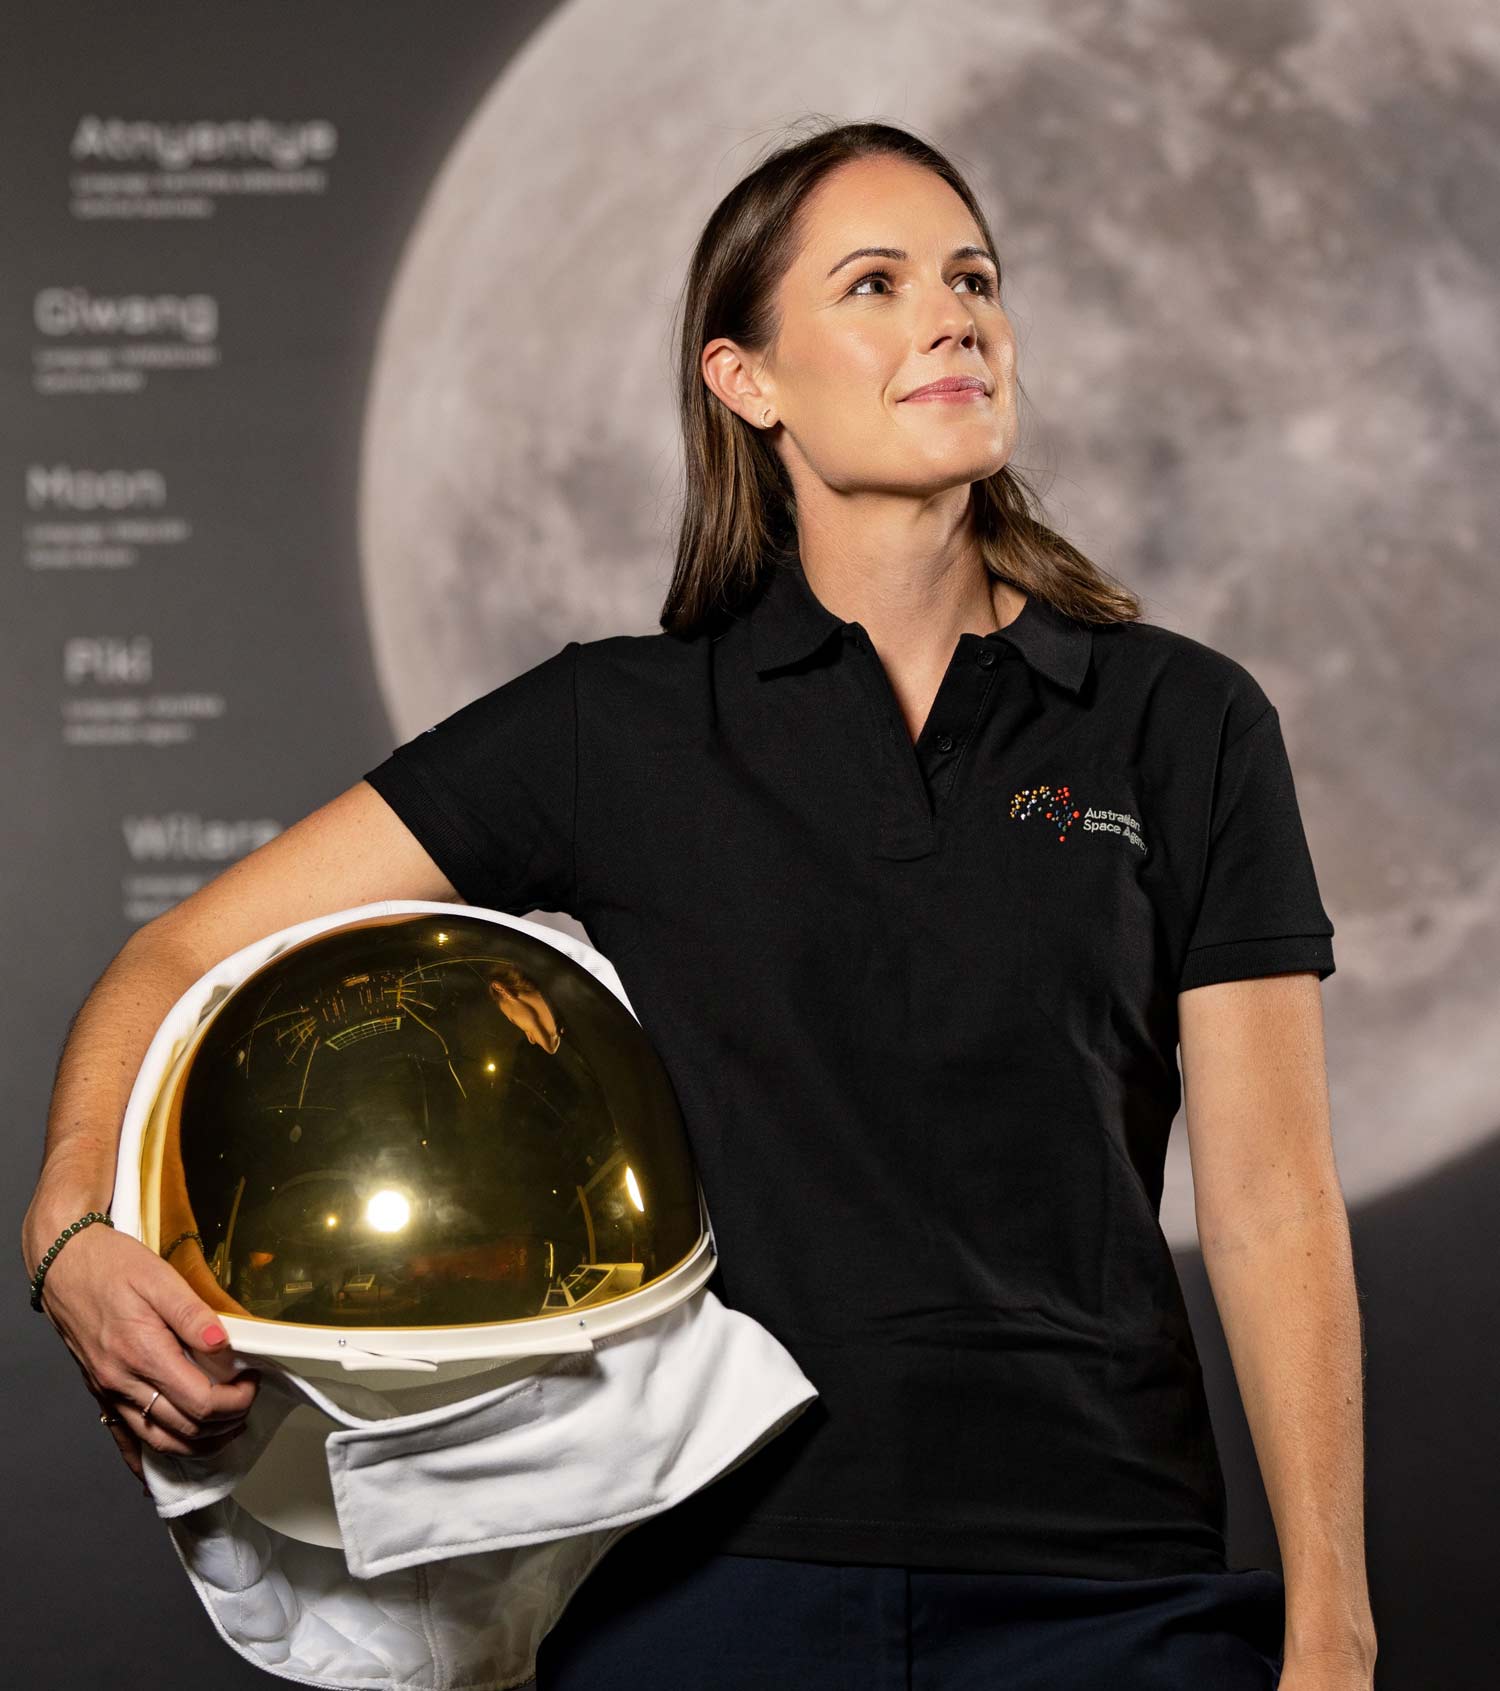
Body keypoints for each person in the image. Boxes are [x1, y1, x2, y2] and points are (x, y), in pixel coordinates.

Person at [22, 119, 1376, 1690]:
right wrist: (69, 1234)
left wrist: (1329, 1629)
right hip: (707, 1596)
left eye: (976, 279)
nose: (956, 317)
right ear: (748, 381)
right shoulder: (619, 730)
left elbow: (1275, 1200)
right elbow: (180, 954)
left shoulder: (1185, 722)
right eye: (876, 282)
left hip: (1113, 1585)